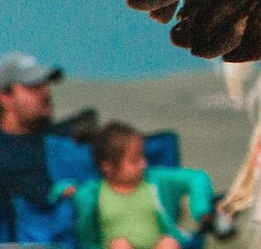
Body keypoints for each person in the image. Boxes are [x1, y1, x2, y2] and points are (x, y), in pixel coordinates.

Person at [52, 122, 215, 249]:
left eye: (143, 156)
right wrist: (65, 190)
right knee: (120, 245)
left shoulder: (155, 180)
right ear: (107, 166)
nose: (143, 164)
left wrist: (201, 209)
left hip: (158, 246)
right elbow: (57, 190)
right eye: (134, 160)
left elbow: (197, 178)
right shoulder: (93, 192)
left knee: (169, 243)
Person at [0, 52, 94, 246]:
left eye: (44, 84)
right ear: (5, 97)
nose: (44, 92)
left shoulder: (65, 145)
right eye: (32, 86)